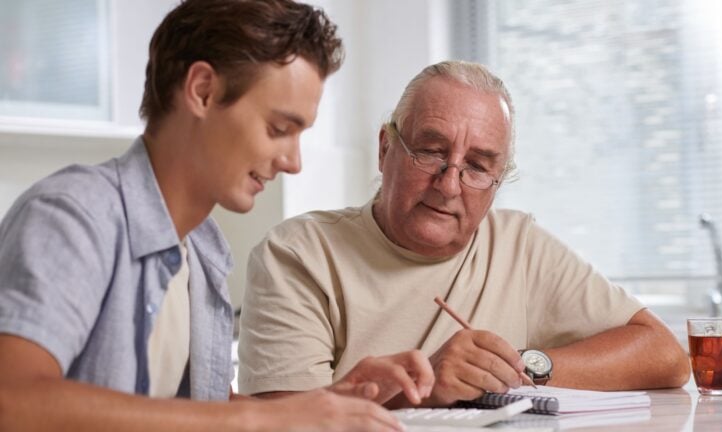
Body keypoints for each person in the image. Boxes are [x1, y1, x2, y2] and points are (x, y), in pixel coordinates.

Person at [0, 1, 433, 430]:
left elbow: (189, 411)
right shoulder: (74, 217)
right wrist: (260, 419)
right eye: (279, 130)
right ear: (203, 90)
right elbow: (12, 399)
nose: (293, 161)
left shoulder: (204, 250)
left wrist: (324, 405)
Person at [237, 60, 691, 407]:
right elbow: (281, 422)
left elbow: (666, 356)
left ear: (497, 183)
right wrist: (425, 389)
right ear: (385, 149)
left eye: (476, 167)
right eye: (431, 152)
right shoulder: (297, 255)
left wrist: (521, 367)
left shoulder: (518, 245)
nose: (449, 184)